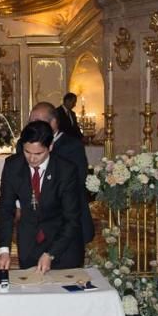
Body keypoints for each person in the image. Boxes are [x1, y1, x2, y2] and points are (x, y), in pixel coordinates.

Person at [0, 121, 81, 273]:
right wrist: (4, 251)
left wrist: (51, 253)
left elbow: (71, 219)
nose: (32, 159)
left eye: (38, 154)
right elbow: (5, 210)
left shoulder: (66, 170)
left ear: (50, 147)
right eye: (27, 152)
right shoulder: (12, 166)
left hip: (62, 245)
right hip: (29, 244)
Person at [28, 101, 95, 248]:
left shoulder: (72, 145)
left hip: (66, 219)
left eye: (38, 122)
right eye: (31, 122)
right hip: (37, 223)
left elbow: (78, 181)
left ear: (53, 123)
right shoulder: (26, 144)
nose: (33, 126)